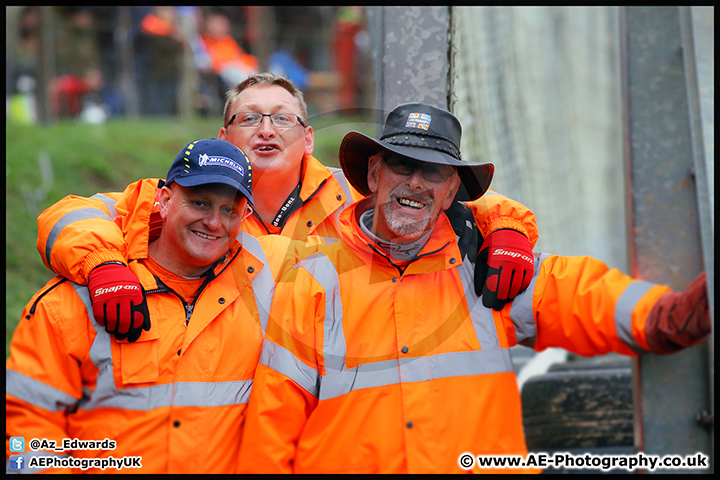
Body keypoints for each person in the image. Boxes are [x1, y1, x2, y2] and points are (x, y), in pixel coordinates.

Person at [236, 103, 711, 474]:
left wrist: (666, 315)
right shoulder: (314, 279)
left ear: (451, 192)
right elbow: (272, 425)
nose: (416, 183)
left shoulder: (488, 268)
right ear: (375, 175)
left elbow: (580, 293)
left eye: (435, 172)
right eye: (402, 166)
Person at [33, 73, 539, 343]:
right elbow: (70, 214)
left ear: (309, 137)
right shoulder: (180, 201)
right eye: (249, 119)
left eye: (283, 119)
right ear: (223, 136)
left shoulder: (354, 194)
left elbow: (446, 194)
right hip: (223, 377)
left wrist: (511, 231)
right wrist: (102, 266)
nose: (267, 130)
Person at [5, 139, 314, 473]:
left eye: (229, 210)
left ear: (246, 216)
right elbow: (28, 425)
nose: (214, 222)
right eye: (200, 203)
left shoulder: (267, 282)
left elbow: (354, 257)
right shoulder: (73, 300)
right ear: (165, 200)